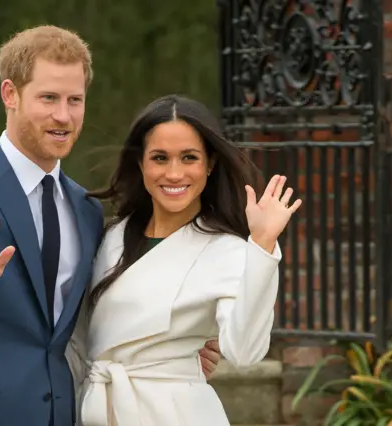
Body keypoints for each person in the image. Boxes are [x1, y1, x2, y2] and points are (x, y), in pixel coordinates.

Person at [0, 27, 221, 426]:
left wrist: (167, 349)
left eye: (75, 100)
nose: (64, 115)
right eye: (49, 98)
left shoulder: (85, 209)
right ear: (10, 94)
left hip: (62, 414)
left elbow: (91, 319)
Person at [65, 94, 302, 425]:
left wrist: (261, 246)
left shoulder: (227, 251)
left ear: (210, 164)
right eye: (160, 158)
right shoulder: (112, 236)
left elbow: (244, 351)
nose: (174, 174)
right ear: (141, 163)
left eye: (189, 158)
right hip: (95, 408)